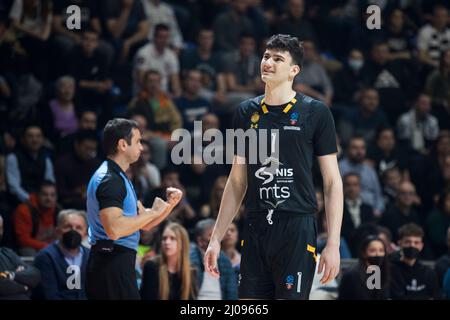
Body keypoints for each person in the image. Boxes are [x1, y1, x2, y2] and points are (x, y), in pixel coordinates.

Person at [204, 34, 343, 300]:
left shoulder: (316, 112)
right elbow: (237, 182)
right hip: (256, 225)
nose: (268, 62)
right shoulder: (245, 112)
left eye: (278, 59)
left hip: (297, 224)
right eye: (266, 56)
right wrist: (215, 239)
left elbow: (332, 182)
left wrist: (333, 243)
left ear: (294, 70)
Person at [85, 118, 182, 300]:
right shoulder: (109, 179)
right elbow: (114, 230)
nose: (142, 147)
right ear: (123, 144)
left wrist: (169, 206)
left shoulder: (120, 177)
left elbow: (144, 223)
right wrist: (153, 212)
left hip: (116, 261)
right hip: (111, 262)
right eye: (137, 141)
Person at [33, 209, 89, 300]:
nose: (73, 231)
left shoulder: (91, 256)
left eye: (78, 228)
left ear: (85, 234)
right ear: (57, 231)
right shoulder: (46, 257)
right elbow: (49, 295)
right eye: (68, 227)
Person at [140, 222, 197, 300]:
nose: (167, 242)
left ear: (182, 243)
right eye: (164, 238)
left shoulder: (191, 270)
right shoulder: (151, 266)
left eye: (172, 238)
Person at [390, 223, 441, 300]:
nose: (412, 245)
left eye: (416, 243)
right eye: (407, 242)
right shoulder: (390, 271)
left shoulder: (429, 273)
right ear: (400, 244)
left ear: (421, 246)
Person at [190, 219, 237, 300]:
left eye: (217, 236)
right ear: (200, 241)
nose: (216, 240)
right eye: (211, 236)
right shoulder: (190, 257)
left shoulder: (225, 260)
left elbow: (231, 292)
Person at [13, 180, 58, 256]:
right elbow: (23, 240)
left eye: (52, 195)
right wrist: (47, 246)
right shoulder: (24, 210)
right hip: (30, 248)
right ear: (37, 195)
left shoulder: (58, 210)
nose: (48, 198)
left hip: (51, 247)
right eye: (44, 194)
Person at [0, 215, 41, 299]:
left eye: (0, 228)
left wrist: (12, 275)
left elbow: (35, 274)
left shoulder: (7, 252)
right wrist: (24, 287)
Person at [338, 235, 390, 300]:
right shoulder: (352, 275)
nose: (378, 254)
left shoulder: (383, 271)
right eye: (372, 251)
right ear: (364, 253)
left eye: (381, 250)